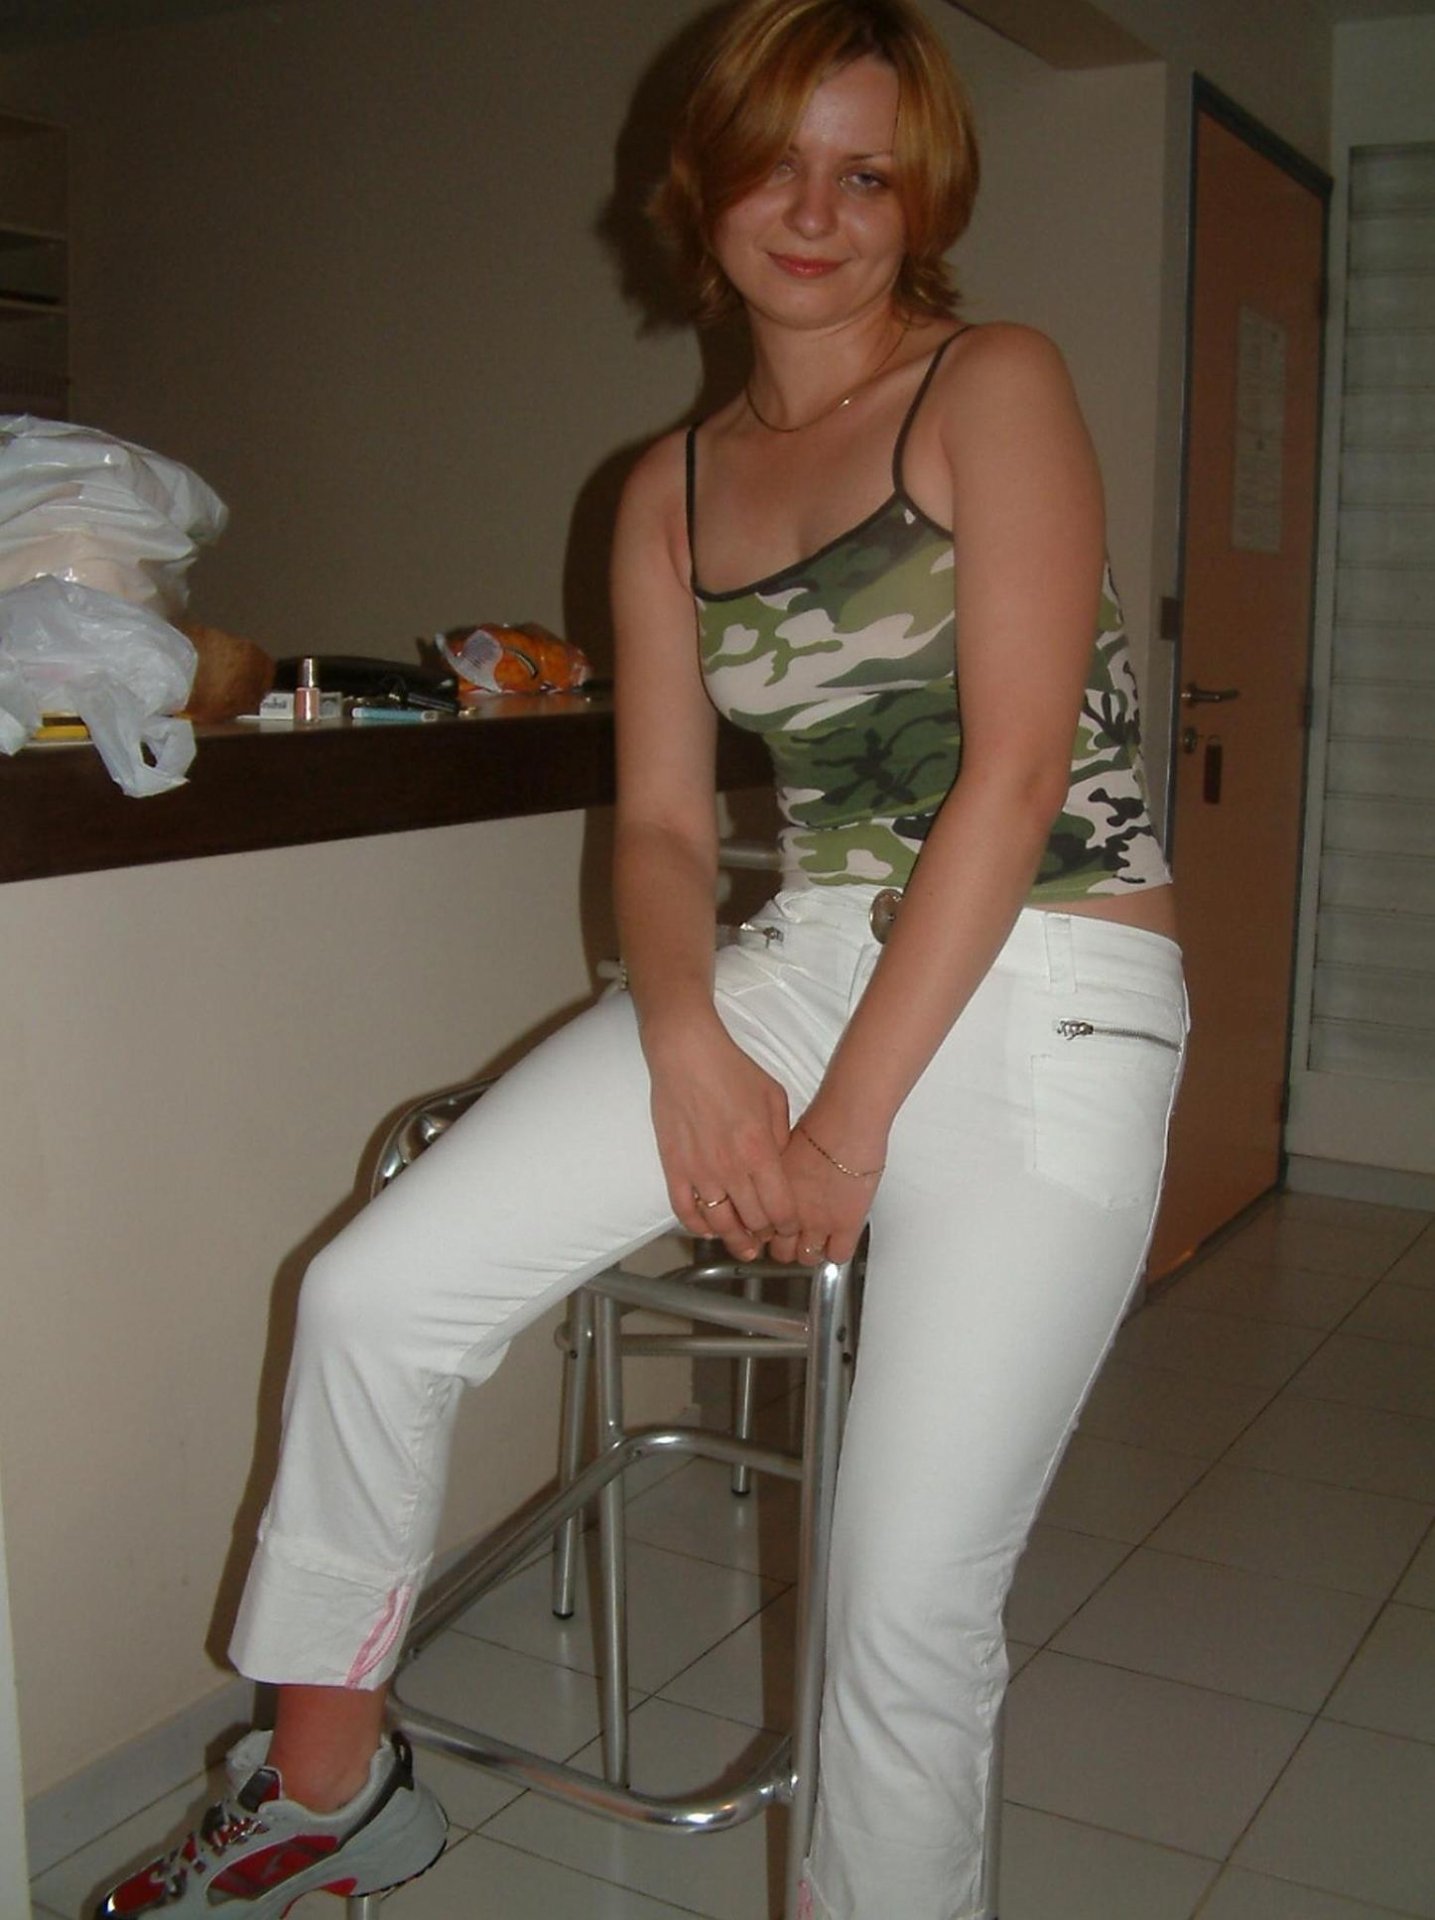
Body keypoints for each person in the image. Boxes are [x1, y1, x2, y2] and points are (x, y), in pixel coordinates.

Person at [96, 2, 1184, 1916]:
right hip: (808, 951)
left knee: (902, 1607)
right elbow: (668, 828)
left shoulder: (989, 381)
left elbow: (1016, 775)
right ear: (706, 182)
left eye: (867, 175)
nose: (817, 213)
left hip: (1052, 992)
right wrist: (687, 1040)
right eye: (777, 164)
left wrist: (840, 1131)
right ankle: (325, 1797)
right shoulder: (666, 488)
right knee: (373, 1294)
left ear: (923, 201)